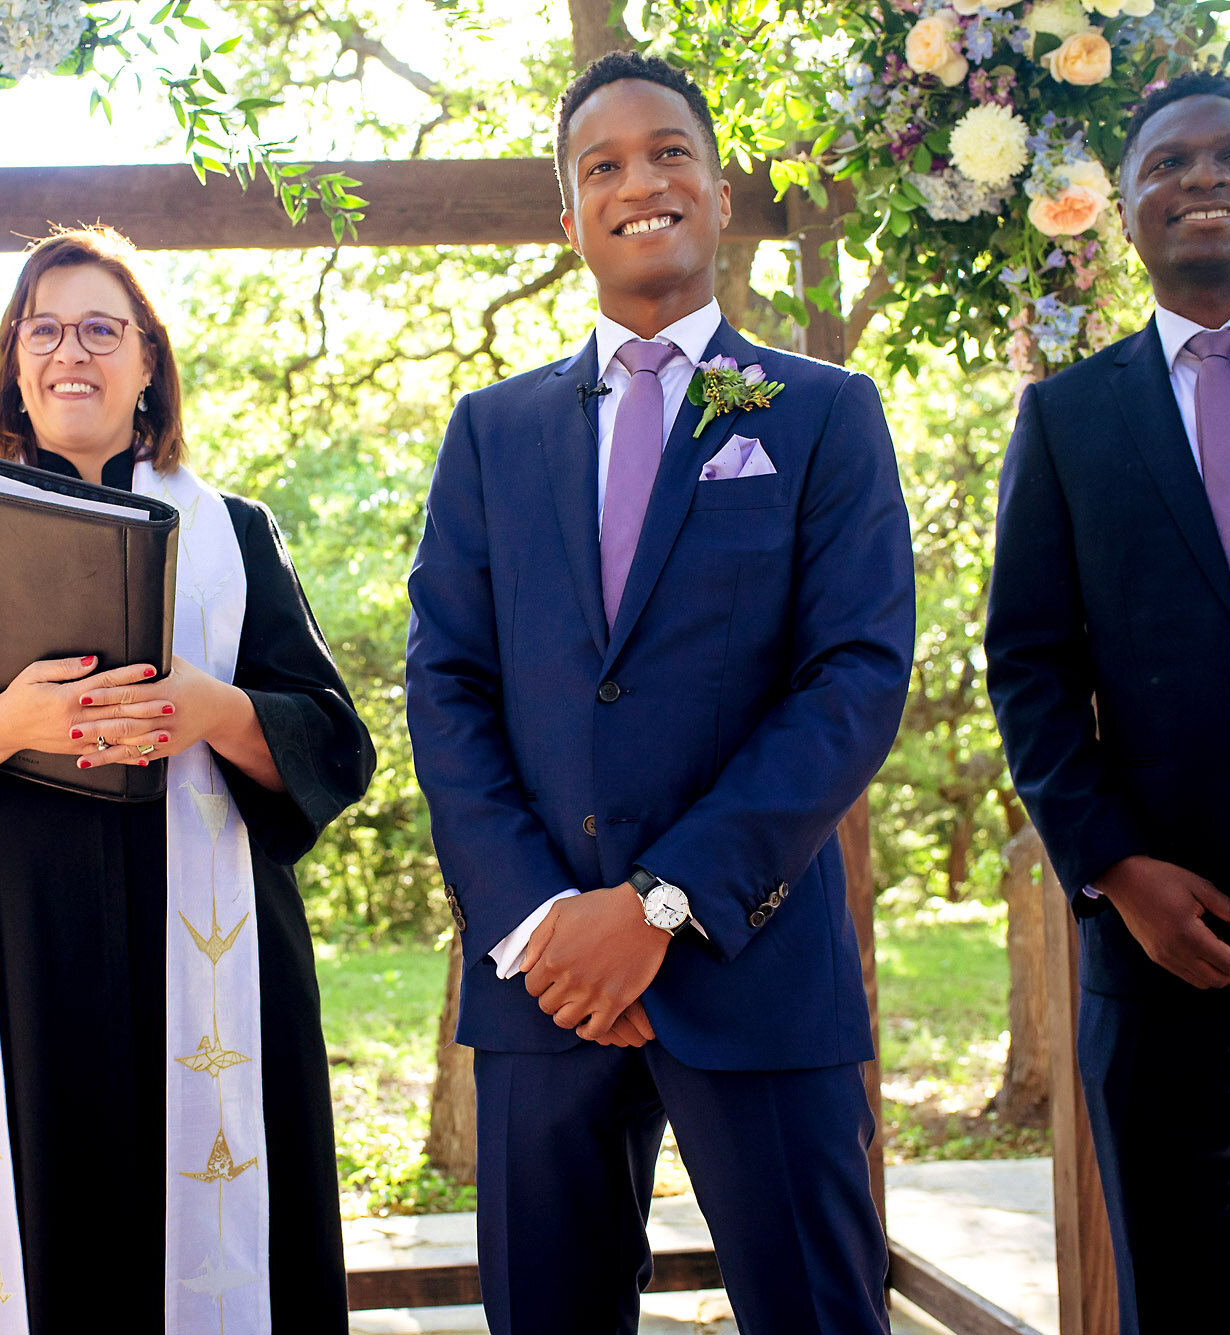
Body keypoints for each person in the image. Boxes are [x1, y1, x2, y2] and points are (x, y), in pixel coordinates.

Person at [406, 52, 914, 1335]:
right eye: (603, 165)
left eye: (670, 151)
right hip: (543, 988)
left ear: (719, 191)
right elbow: (447, 684)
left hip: (756, 970)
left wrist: (663, 902)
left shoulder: (823, 414)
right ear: (566, 214)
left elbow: (850, 678)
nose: (641, 180)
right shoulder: (490, 432)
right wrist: (536, 927)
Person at [0, 225, 371, 1334]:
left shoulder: (233, 533)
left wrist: (202, 706)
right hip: (3, 954)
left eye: (101, 329)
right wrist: (9, 721)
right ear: (15, 365)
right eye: (45, 328)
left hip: (201, 964)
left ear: (148, 362)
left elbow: (331, 745)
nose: (71, 351)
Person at [986, 72, 1230, 1334]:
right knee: (1179, 1301)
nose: (1199, 179)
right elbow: (1028, 666)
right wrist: (1111, 870)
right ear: (1124, 214)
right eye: (1165, 165)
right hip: (1163, 941)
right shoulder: (1065, 418)